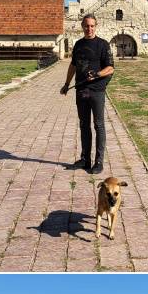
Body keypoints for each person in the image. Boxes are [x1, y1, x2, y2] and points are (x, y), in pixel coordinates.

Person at [60, 14, 114, 174]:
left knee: (99, 125)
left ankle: (98, 162)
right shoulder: (78, 45)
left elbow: (110, 68)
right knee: (84, 125)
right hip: (81, 90)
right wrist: (66, 84)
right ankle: (85, 159)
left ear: (96, 26)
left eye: (92, 26)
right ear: (82, 27)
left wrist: (97, 74)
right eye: (86, 26)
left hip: (97, 91)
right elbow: (73, 65)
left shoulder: (103, 45)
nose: (89, 29)